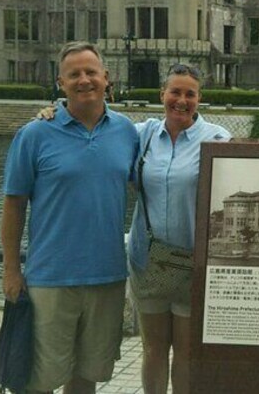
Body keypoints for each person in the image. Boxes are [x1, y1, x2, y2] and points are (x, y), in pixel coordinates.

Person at [39, 63, 231, 393]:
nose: (181, 101)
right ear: (162, 95)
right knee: (153, 350)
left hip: (193, 263)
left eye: (190, 94)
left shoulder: (217, 138)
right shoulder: (140, 135)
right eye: (175, 92)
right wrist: (54, 112)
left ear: (200, 98)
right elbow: (97, 128)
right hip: (149, 260)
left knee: (185, 353)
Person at [1, 41, 138, 394]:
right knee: (39, 378)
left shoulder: (127, 132)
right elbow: (14, 204)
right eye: (73, 74)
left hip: (107, 276)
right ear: (60, 83)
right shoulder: (34, 134)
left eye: (91, 72)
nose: (84, 80)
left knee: (87, 375)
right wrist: (11, 269)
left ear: (107, 78)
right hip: (51, 277)